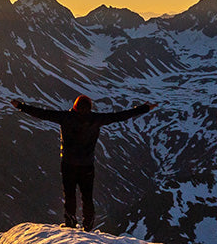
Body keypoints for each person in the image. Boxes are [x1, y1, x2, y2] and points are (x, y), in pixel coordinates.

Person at [11, 95, 156, 231]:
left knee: (69, 194)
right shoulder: (96, 119)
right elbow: (119, 116)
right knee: (87, 196)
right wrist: (144, 108)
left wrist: (21, 106)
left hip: (68, 163)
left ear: (74, 106)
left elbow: (42, 113)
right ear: (90, 107)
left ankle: (70, 223)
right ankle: (88, 225)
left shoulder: (65, 117)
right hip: (87, 165)